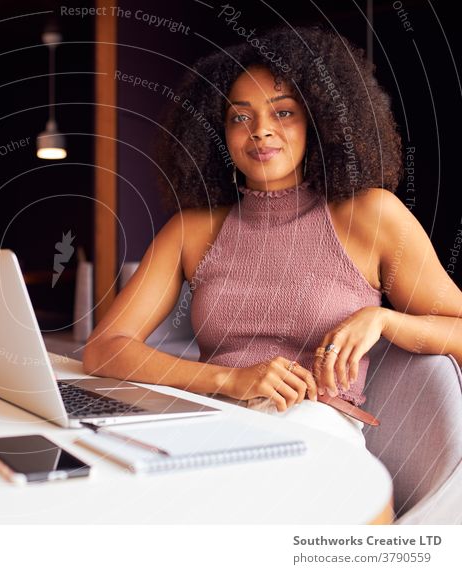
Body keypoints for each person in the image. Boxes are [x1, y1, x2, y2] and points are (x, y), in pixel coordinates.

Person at [82, 26, 462, 449]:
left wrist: (385, 319)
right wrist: (229, 379)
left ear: (317, 121)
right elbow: (104, 350)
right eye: (239, 117)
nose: (260, 131)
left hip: (314, 426)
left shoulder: (370, 215)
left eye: (283, 112)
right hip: (213, 418)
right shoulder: (192, 231)